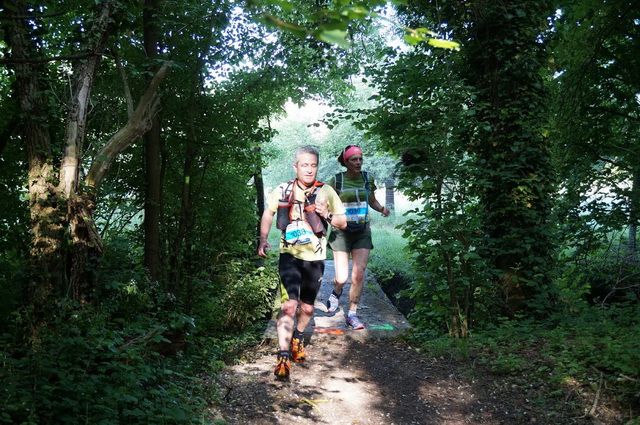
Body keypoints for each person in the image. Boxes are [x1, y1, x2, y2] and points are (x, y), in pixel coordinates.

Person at [258, 145, 347, 380]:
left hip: (315, 258)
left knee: (307, 308)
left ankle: (297, 337)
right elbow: (268, 213)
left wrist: (325, 213)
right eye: (304, 165)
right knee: (289, 306)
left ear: (317, 166)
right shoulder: (282, 190)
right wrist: (263, 239)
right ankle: (283, 356)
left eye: (313, 165)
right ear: (295, 166)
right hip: (289, 256)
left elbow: (342, 222)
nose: (309, 170)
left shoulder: (326, 191)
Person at [325, 144, 390, 330]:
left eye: (360, 159)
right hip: (341, 232)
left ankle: (352, 314)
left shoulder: (367, 178)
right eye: (354, 159)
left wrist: (381, 209)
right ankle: (336, 291)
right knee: (342, 277)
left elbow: (371, 200)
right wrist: (330, 218)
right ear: (346, 161)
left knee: (358, 274)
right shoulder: (336, 181)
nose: (358, 162)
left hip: (362, 230)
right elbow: (325, 205)